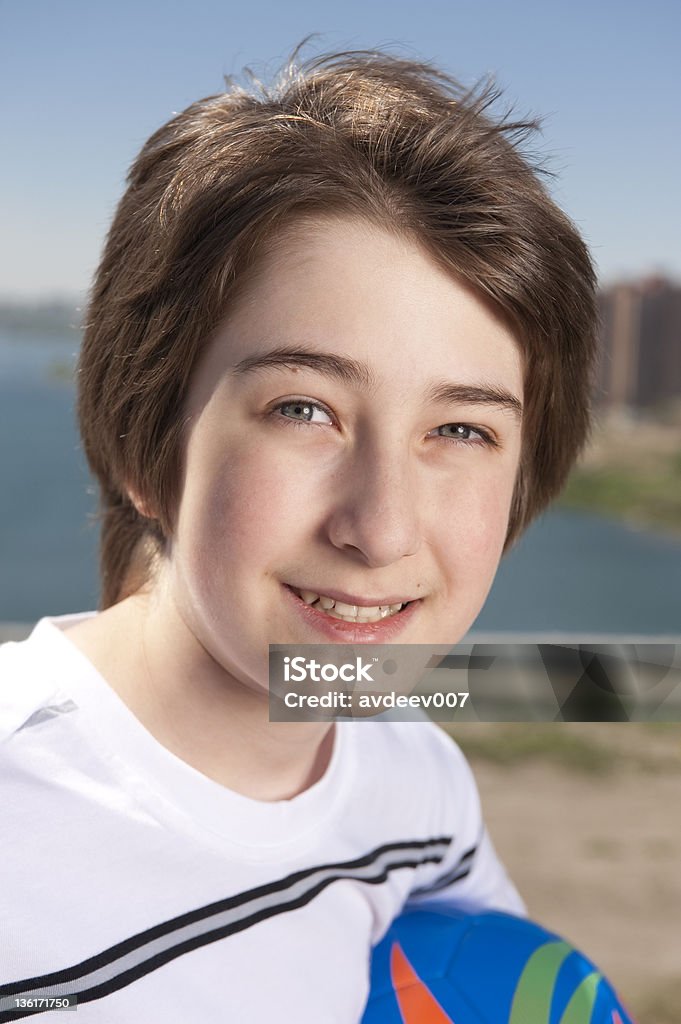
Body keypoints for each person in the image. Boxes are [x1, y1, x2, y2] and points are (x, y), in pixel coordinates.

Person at [0, 43, 597, 1023]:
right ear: (151, 446)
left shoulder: (419, 790)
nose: (382, 526)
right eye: (303, 409)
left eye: (460, 429)